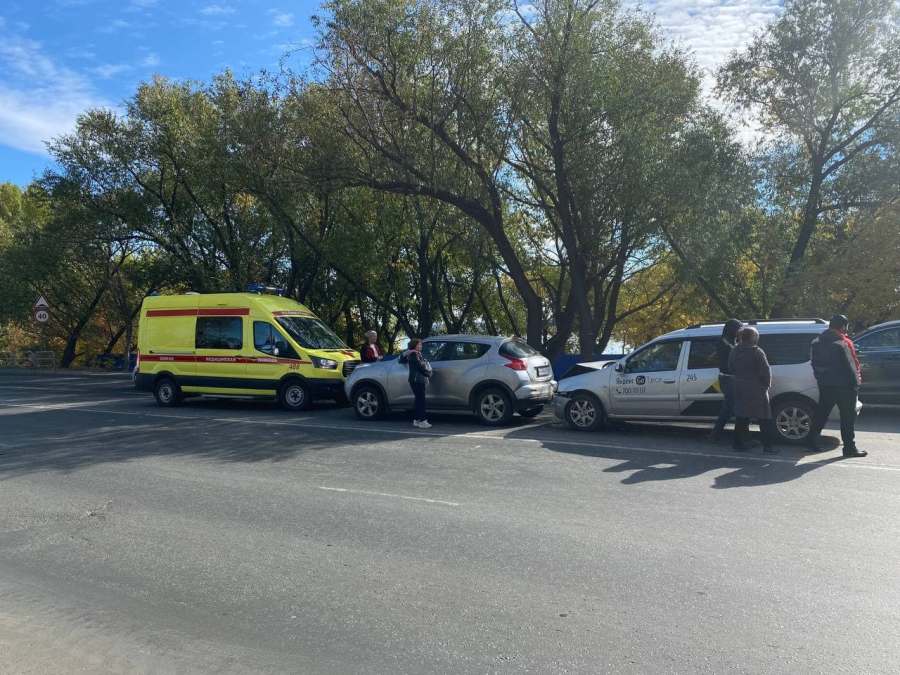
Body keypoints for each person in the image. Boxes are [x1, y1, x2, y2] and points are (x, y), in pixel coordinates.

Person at [807, 314, 866, 457]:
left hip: (825, 384)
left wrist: (821, 379)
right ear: (843, 326)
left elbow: (814, 364)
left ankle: (811, 442)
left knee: (821, 413)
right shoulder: (843, 342)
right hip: (845, 386)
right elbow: (851, 366)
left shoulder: (816, 341)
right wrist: (856, 384)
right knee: (847, 418)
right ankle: (849, 448)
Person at [729, 326, 778, 453]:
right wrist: (766, 386)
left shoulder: (734, 351)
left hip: (740, 387)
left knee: (741, 417)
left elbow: (730, 368)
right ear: (753, 338)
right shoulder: (757, 351)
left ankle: (737, 443)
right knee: (764, 418)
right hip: (757, 388)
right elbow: (766, 372)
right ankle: (768, 446)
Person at [710, 318, 743, 441]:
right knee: (730, 408)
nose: (741, 332)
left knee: (730, 409)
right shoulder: (725, 343)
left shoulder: (729, 341)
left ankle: (716, 435)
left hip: (730, 379)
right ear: (732, 330)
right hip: (728, 379)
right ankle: (718, 435)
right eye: (739, 329)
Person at [400, 338, 433, 429]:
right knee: (421, 401)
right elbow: (419, 367)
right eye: (419, 345)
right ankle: (422, 421)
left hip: (416, 380)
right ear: (414, 345)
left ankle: (416, 420)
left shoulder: (416, 354)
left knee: (418, 400)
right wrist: (428, 373)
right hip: (417, 380)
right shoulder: (414, 354)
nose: (421, 346)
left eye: (421, 345)